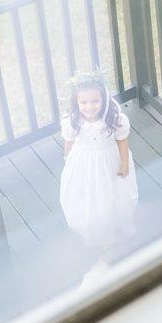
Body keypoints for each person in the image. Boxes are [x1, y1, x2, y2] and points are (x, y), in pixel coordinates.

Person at [59, 70, 139, 262]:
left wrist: (124, 162)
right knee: (90, 197)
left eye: (95, 101)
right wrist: (68, 160)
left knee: (113, 194)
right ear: (77, 103)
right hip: (84, 162)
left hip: (109, 161)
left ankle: (116, 225)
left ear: (104, 100)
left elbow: (122, 140)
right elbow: (69, 142)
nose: (89, 107)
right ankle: (100, 234)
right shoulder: (74, 121)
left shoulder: (114, 119)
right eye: (83, 102)